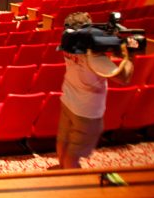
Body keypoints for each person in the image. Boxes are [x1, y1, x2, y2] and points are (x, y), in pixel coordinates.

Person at [55, 12, 134, 170]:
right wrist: (129, 55)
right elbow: (123, 78)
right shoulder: (95, 58)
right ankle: (72, 186)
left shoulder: (69, 46)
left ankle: (61, 172)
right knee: (73, 155)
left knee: (63, 142)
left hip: (68, 102)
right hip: (87, 112)